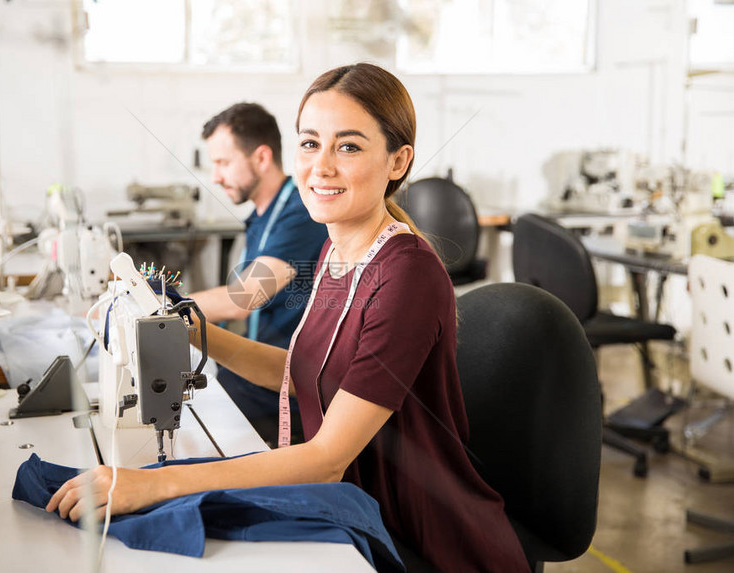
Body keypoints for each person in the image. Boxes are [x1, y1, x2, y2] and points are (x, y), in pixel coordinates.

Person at [48, 64, 529, 572]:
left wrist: (150, 484)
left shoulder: (405, 273)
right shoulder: (336, 252)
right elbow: (303, 375)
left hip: (418, 536)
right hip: (355, 511)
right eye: (308, 143)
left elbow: (325, 458)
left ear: (398, 161)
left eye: (348, 146)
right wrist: (192, 330)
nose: (320, 167)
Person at [190, 103, 328, 445]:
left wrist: (164, 305)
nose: (215, 177)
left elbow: (244, 298)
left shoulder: (300, 213)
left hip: (282, 393)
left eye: (223, 163)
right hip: (253, 376)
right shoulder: (262, 217)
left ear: (262, 158)